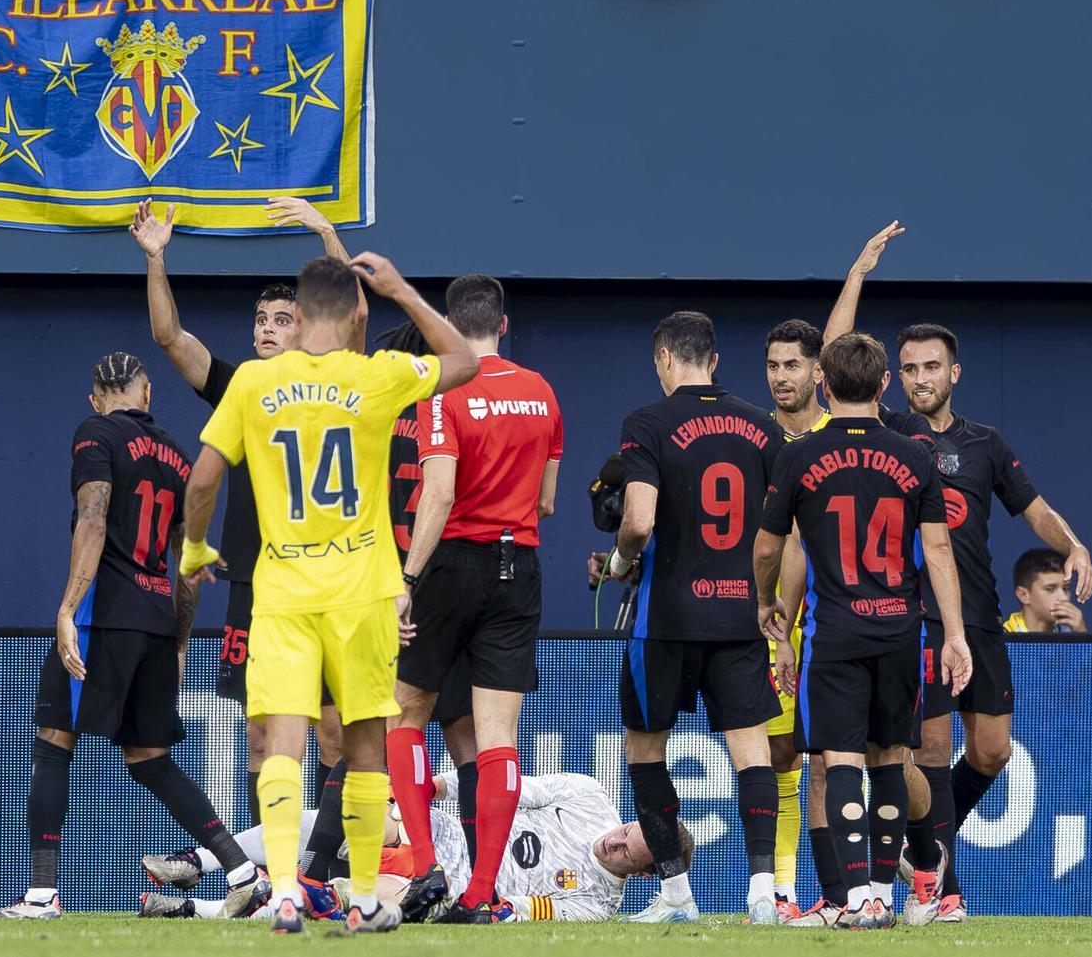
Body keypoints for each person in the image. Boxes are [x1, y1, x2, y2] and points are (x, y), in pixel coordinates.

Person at [177, 254, 478, 934]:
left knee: (282, 744)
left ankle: (285, 892)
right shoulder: (376, 375)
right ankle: (364, 898)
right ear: (351, 315)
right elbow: (463, 360)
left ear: (303, 311)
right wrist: (400, 289)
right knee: (365, 748)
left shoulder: (254, 382)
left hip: (283, 591)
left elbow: (202, 479)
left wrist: (194, 548)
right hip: (362, 592)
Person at [824, 302, 1092, 918]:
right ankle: (944, 890)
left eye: (932, 367)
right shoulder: (891, 430)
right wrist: (858, 276)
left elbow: (1034, 508)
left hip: (979, 616)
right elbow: (835, 358)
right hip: (916, 616)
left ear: (955, 373)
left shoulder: (986, 443)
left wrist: (1073, 545)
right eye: (910, 368)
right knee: (930, 749)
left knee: (993, 751)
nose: (921, 378)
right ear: (894, 377)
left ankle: (920, 846)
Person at [0, 353, 264, 921]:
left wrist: (67, 608)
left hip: (104, 615)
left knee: (54, 740)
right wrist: (180, 642)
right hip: (158, 618)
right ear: (148, 393)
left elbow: (93, 519)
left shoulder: (95, 432)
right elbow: (189, 562)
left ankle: (40, 895)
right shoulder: (179, 456)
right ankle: (243, 872)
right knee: (151, 758)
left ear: (95, 399)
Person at [131, 197, 352, 822]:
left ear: (307, 330)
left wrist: (326, 232)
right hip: (255, 583)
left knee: (333, 733)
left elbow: (353, 313)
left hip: (324, 579)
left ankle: (325, 865)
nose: (267, 328)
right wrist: (156, 258)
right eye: (261, 319)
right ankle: (264, 865)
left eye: (282, 319)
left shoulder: (335, 382)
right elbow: (170, 337)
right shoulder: (240, 387)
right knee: (261, 735)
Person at [754, 332, 973, 931]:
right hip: (901, 630)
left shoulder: (799, 455)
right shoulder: (916, 456)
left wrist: (767, 606)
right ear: (883, 384)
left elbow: (770, 548)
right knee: (891, 760)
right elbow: (939, 551)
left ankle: (858, 900)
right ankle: (882, 891)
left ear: (823, 384)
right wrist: (955, 634)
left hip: (835, 632)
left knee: (841, 760)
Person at [593, 311, 784, 924]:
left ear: (664, 358)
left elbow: (638, 520)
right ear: (715, 360)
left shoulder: (647, 422)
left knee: (645, 752)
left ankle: (676, 895)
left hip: (666, 618)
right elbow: (779, 532)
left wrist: (620, 561)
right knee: (753, 754)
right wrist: (765, 597)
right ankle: (763, 893)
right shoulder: (764, 427)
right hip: (738, 615)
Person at [387, 274, 563, 925]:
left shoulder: (444, 389)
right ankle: (481, 891)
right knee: (498, 737)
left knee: (404, 714)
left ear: (450, 327)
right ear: (504, 325)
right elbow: (546, 501)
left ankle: (426, 865)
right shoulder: (542, 391)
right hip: (520, 565)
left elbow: (437, 493)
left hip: (453, 560)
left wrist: (408, 581)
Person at [291, 322, 478, 922]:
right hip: (446, 589)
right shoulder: (451, 414)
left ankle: (317, 870)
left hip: (377, 585)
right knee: (468, 740)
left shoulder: (362, 417)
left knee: (370, 734)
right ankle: (478, 886)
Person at [761, 219, 909, 924]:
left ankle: (845, 890)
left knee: (834, 757)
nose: (784, 376)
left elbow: (841, 348)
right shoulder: (767, 437)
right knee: (787, 754)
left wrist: (856, 276)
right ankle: (814, 888)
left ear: (818, 375)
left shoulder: (831, 435)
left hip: (832, 619)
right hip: (780, 617)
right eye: (774, 366)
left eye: (796, 366)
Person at [141, 771, 691, 923]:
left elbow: (521, 911)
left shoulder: (598, 904)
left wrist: (469, 904)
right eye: (628, 829)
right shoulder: (592, 796)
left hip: (445, 887)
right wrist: (437, 786)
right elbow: (508, 788)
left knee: (348, 898)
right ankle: (201, 861)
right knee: (342, 816)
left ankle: (192, 908)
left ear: (645, 874)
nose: (615, 839)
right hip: (434, 835)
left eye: (628, 852)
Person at [1004, 549, 1088, 633]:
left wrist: (1082, 635)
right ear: (1023, 595)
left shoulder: (1073, 633)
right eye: (1050, 589)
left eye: (1065, 589)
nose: (1064, 598)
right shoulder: (1002, 637)